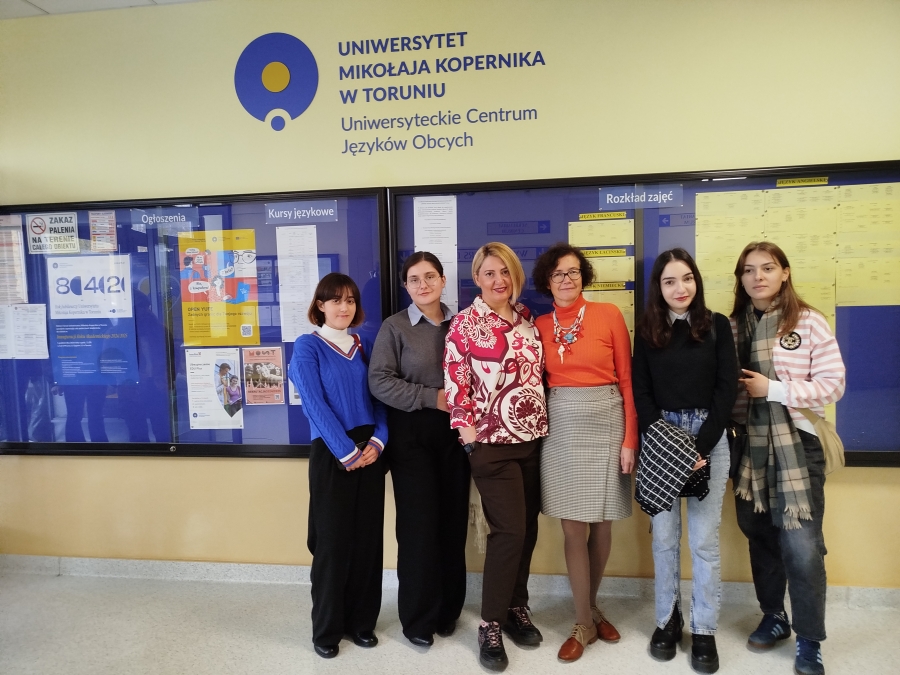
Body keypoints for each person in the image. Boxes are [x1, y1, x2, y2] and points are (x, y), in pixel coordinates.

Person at [729, 242, 845, 675]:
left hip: (798, 446)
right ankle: (774, 616)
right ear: (740, 279)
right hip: (748, 448)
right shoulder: (732, 326)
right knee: (758, 534)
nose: (758, 277)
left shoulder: (808, 321)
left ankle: (810, 639)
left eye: (767, 268)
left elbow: (833, 385)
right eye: (748, 270)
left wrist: (773, 389)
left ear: (785, 273)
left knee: (802, 546)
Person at [443, 242, 548, 672]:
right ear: (477, 279)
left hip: (533, 441)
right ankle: (490, 623)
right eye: (489, 273)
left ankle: (514, 607)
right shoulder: (464, 325)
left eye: (505, 272)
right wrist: (471, 441)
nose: (498, 280)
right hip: (490, 446)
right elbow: (456, 388)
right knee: (507, 533)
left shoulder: (526, 322)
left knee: (526, 529)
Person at [632, 248, 737, 674]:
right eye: (670, 281)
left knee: (704, 543)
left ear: (697, 281)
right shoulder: (646, 330)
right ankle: (667, 620)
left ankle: (705, 628)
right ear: (659, 287)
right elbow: (641, 393)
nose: (681, 288)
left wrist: (698, 448)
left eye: (687, 278)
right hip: (661, 440)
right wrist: (671, 446)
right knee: (663, 540)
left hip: (709, 438)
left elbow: (726, 389)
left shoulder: (718, 326)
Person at [531, 243, 637, 662]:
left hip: (608, 419)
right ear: (546, 281)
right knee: (573, 525)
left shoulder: (609, 314)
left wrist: (631, 439)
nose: (567, 279)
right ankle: (583, 620)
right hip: (561, 424)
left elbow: (628, 381)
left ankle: (588, 611)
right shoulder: (538, 324)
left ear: (584, 276)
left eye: (574, 272)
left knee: (603, 523)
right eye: (558, 274)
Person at [368, 251, 469, 647]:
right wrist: (433, 397)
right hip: (411, 435)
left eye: (430, 276)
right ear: (405, 286)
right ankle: (417, 618)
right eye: (414, 279)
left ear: (443, 281)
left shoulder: (463, 324)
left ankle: (448, 611)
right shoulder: (395, 328)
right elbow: (379, 382)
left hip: (458, 435)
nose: (423, 284)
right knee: (418, 528)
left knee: (452, 522)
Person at [288, 272, 388, 660]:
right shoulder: (308, 345)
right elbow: (313, 402)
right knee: (331, 544)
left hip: (371, 452)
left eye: (349, 300)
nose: (343, 307)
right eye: (335, 300)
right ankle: (327, 629)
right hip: (334, 454)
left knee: (367, 542)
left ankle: (361, 623)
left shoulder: (364, 345)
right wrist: (347, 452)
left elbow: (380, 398)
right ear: (320, 306)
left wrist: (379, 442)